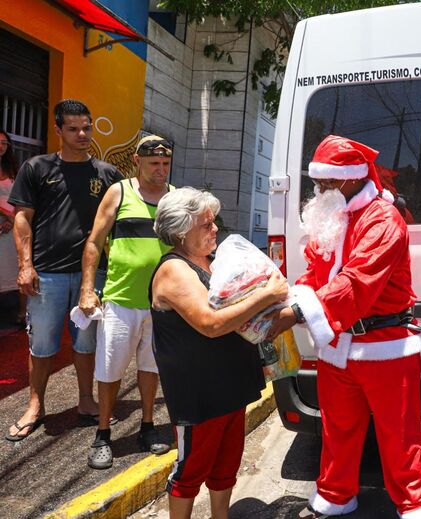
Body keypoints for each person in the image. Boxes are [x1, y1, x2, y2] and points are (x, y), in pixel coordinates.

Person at [267, 135, 421, 519]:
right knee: (337, 431)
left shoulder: (384, 219)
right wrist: (286, 299)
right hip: (338, 347)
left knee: (400, 439)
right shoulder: (333, 216)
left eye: (326, 182)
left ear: (350, 178)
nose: (319, 190)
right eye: (318, 182)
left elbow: (358, 281)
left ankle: (414, 507)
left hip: (385, 347)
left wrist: (294, 315)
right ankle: (334, 497)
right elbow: (315, 272)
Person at [150, 187, 288, 519]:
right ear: (181, 231)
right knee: (191, 470)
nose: (215, 229)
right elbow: (210, 324)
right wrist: (268, 293)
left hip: (230, 383)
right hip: (200, 392)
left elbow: (241, 315)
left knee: (226, 464)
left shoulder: (213, 262)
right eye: (206, 225)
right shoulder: (174, 269)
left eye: (215, 222)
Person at [5, 100, 123, 442]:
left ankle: (86, 399)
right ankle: (35, 405)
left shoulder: (107, 174)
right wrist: (26, 266)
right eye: (73, 128)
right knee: (42, 345)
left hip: (94, 276)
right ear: (58, 130)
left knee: (87, 342)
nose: (82, 134)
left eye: (86, 127)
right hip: (48, 274)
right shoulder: (36, 168)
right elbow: (22, 218)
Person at [78, 135, 176, 469]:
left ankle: (147, 426)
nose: (161, 170)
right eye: (154, 164)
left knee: (151, 369)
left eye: (165, 164)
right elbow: (94, 243)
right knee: (110, 371)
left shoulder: (175, 198)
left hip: (162, 305)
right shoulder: (119, 192)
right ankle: (103, 434)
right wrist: (87, 289)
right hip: (121, 301)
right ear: (137, 161)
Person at [0, 129, 24, 326]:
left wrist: (12, 217)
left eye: (4, 143)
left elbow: (19, 196)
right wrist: (5, 214)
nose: (1, 146)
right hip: (4, 220)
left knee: (15, 267)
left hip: (12, 224)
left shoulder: (13, 168)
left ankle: (21, 313)